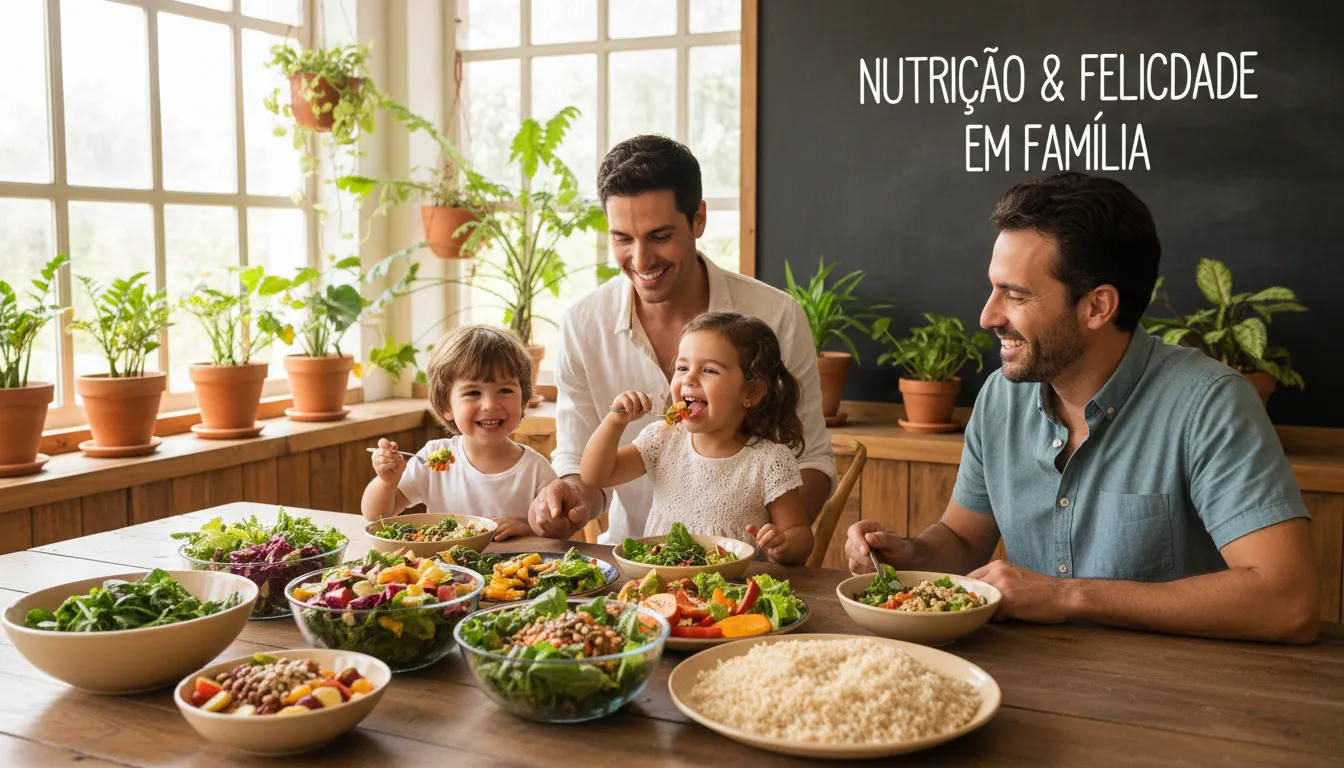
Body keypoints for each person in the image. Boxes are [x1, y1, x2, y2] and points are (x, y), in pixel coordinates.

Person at [846, 172, 1320, 644]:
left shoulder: (1210, 403)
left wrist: (1070, 596)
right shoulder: (999, 397)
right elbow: (962, 541)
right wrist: (909, 555)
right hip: (1033, 682)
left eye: (1015, 294)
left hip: (1177, 700)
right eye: (994, 289)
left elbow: (1288, 601)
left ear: (1097, 307)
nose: (988, 316)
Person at [529, 135, 836, 543]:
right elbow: (580, 466)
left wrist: (777, 538)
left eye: (659, 236)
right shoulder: (583, 324)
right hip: (628, 560)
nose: (640, 261)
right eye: (622, 238)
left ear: (699, 220)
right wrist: (566, 499)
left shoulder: (777, 315)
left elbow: (811, 459)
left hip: (746, 569)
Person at [580, 311, 814, 564]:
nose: (689, 378)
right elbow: (595, 475)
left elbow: (799, 535)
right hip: (660, 585)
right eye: (682, 367)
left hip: (729, 592)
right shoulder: (663, 439)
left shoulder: (769, 460)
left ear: (751, 392)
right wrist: (615, 421)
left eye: (709, 370)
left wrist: (784, 544)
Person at [362, 324, 556, 541]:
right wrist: (387, 481)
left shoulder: (537, 471)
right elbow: (376, 515)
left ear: (523, 401)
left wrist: (526, 530)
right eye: (473, 392)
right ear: (447, 406)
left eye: (505, 391)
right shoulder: (432, 459)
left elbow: (558, 534)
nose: (490, 405)